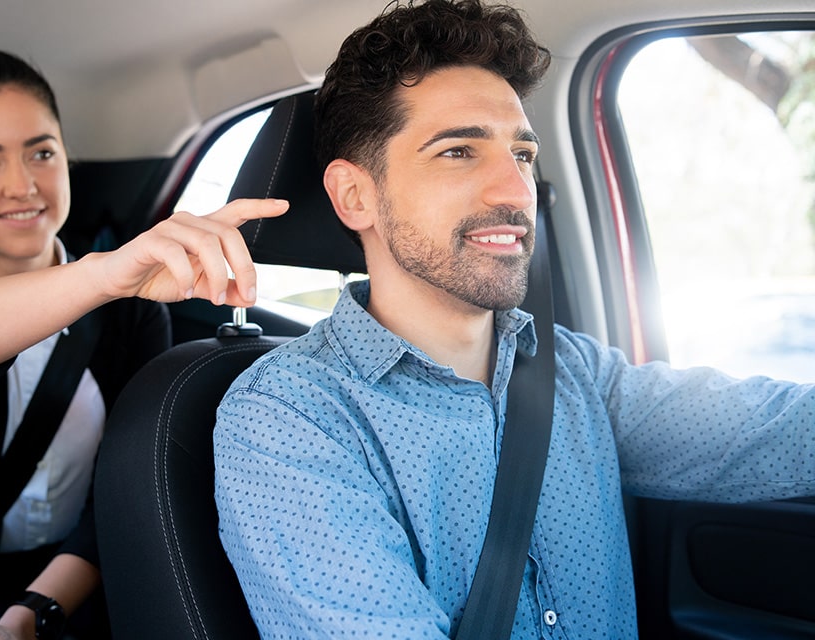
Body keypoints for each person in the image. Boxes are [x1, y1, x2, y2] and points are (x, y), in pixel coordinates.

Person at [212, 1, 815, 638]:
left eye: (522, 155)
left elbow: (774, 432)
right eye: (458, 153)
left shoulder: (573, 371)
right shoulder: (290, 418)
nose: (515, 190)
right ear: (355, 196)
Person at [0, 49, 287, 639]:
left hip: (65, 596)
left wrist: (36, 610)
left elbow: (124, 479)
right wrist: (98, 278)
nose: (22, 185)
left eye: (41, 152)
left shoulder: (128, 314)